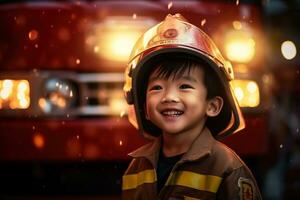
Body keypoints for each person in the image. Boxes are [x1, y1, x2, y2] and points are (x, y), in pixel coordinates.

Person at [122, 13, 262, 200]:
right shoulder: (136, 168)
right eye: (157, 87)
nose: (169, 97)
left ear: (212, 106)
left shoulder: (226, 168)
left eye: (185, 86)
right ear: (144, 106)